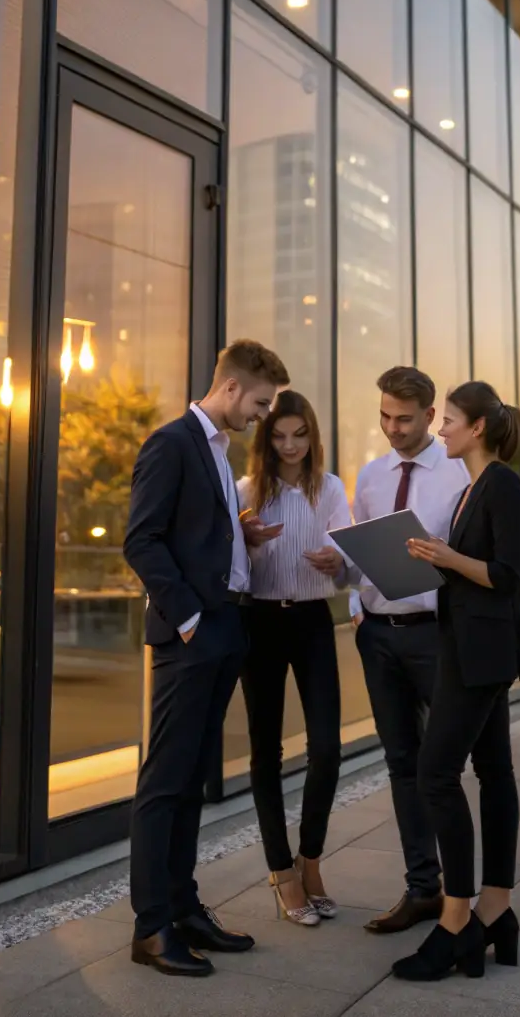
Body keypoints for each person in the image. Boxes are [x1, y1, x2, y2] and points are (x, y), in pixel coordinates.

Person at [123, 339, 290, 979]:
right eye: (260, 402)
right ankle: (150, 928)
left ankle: (184, 908)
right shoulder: (171, 443)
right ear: (229, 389)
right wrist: (189, 619)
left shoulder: (217, 453)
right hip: (192, 633)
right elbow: (142, 541)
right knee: (164, 784)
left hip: (226, 627)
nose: (262, 415)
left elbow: (192, 534)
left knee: (192, 781)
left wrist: (236, 537)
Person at [392, 381, 520, 983]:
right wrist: (431, 558)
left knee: (435, 774)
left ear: (477, 428)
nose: (441, 428)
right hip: (468, 647)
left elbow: (507, 574)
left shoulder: (501, 482)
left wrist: (446, 559)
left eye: (449, 420)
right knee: (494, 771)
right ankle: (496, 909)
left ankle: (457, 920)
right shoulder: (472, 489)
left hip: (480, 654)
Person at [321, 366, 468, 934]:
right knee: (401, 764)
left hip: (435, 637)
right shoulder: (372, 477)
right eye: (384, 416)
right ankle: (421, 890)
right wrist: (344, 575)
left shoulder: (458, 476)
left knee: (443, 769)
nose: (392, 428)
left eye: (404, 419)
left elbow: (468, 562)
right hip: (379, 637)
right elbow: (361, 560)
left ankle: (459, 897)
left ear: (431, 416)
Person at [237, 391, 352, 926]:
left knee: (327, 746)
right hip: (260, 621)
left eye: (298, 434)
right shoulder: (246, 492)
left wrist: (338, 562)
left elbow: (349, 558)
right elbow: (239, 570)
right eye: (279, 435)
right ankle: (281, 873)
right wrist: (253, 542)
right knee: (266, 754)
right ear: (266, 439)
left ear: (312, 436)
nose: (289, 445)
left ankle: (310, 860)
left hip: (311, 621)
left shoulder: (328, 489)